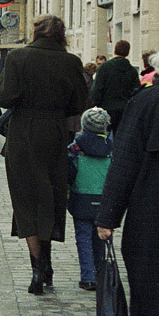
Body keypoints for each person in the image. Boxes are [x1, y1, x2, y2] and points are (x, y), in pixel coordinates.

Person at [0, 15, 90, 296]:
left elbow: (4, 97)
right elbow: (79, 103)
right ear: (61, 35)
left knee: (26, 199)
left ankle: (37, 269)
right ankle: (47, 264)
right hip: (55, 134)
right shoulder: (71, 61)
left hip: (23, 133)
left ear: (36, 32)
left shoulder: (18, 57)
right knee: (50, 197)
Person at [97, 40, 159, 316]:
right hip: (152, 212)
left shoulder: (146, 102)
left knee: (152, 283)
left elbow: (124, 163)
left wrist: (107, 217)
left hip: (153, 214)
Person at [66, 107, 111, 291]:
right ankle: (100, 274)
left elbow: (69, 173)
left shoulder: (75, 148)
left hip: (81, 197)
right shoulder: (112, 148)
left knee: (83, 238)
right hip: (103, 198)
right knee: (100, 238)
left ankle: (88, 276)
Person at [91, 39, 139, 133]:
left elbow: (96, 90)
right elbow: (136, 92)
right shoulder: (132, 71)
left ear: (115, 50)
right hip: (125, 110)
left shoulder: (104, 68)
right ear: (128, 53)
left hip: (105, 110)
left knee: (104, 137)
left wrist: (96, 105)